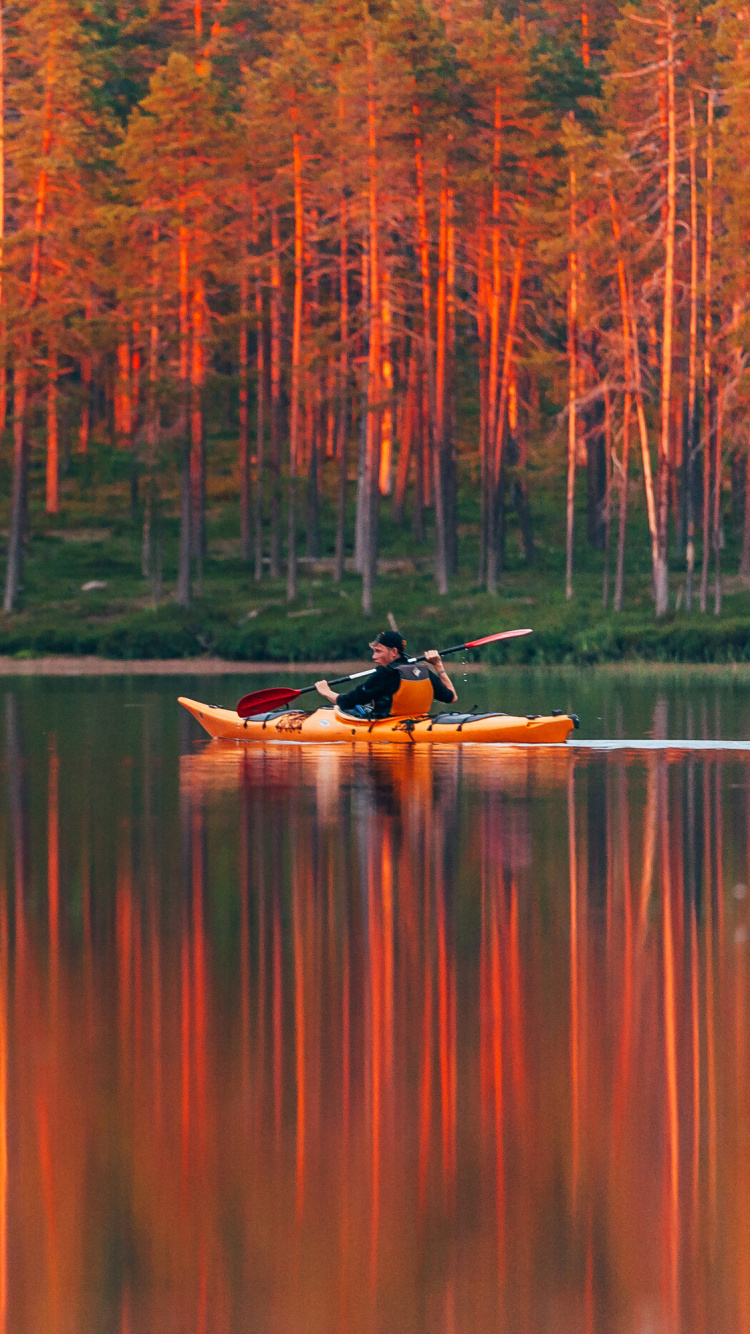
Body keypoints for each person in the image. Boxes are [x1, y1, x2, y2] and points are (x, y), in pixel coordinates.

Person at [315, 630, 457, 719]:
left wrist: (326, 691)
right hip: (418, 722)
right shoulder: (422, 670)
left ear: (394, 652)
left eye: (378, 651)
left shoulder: (384, 673)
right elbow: (452, 697)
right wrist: (438, 665)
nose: (373, 657)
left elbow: (347, 702)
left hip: (386, 726)